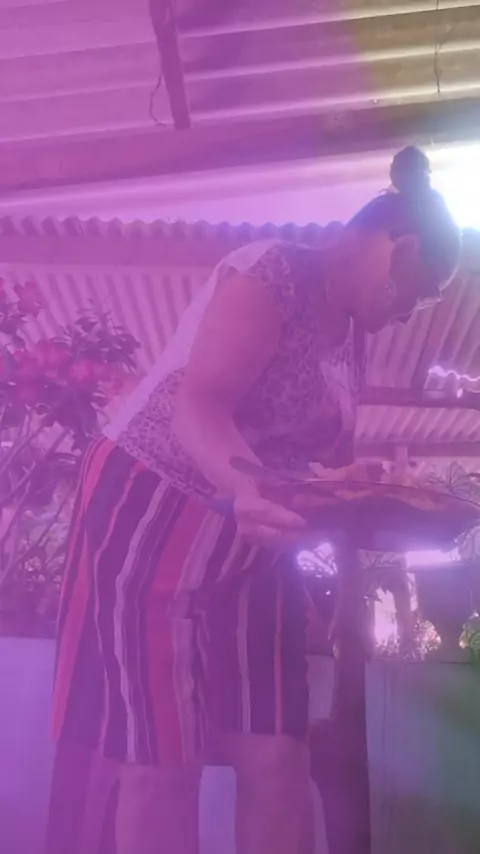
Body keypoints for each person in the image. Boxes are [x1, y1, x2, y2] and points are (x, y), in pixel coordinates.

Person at [50, 147, 461, 854]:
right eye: (418, 294)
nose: (407, 315)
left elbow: (312, 464)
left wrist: (358, 489)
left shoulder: (351, 339)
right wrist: (247, 488)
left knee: (277, 752)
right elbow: (200, 407)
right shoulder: (273, 273)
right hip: (154, 514)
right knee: (163, 756)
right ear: (401, 247)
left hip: (255, 541)